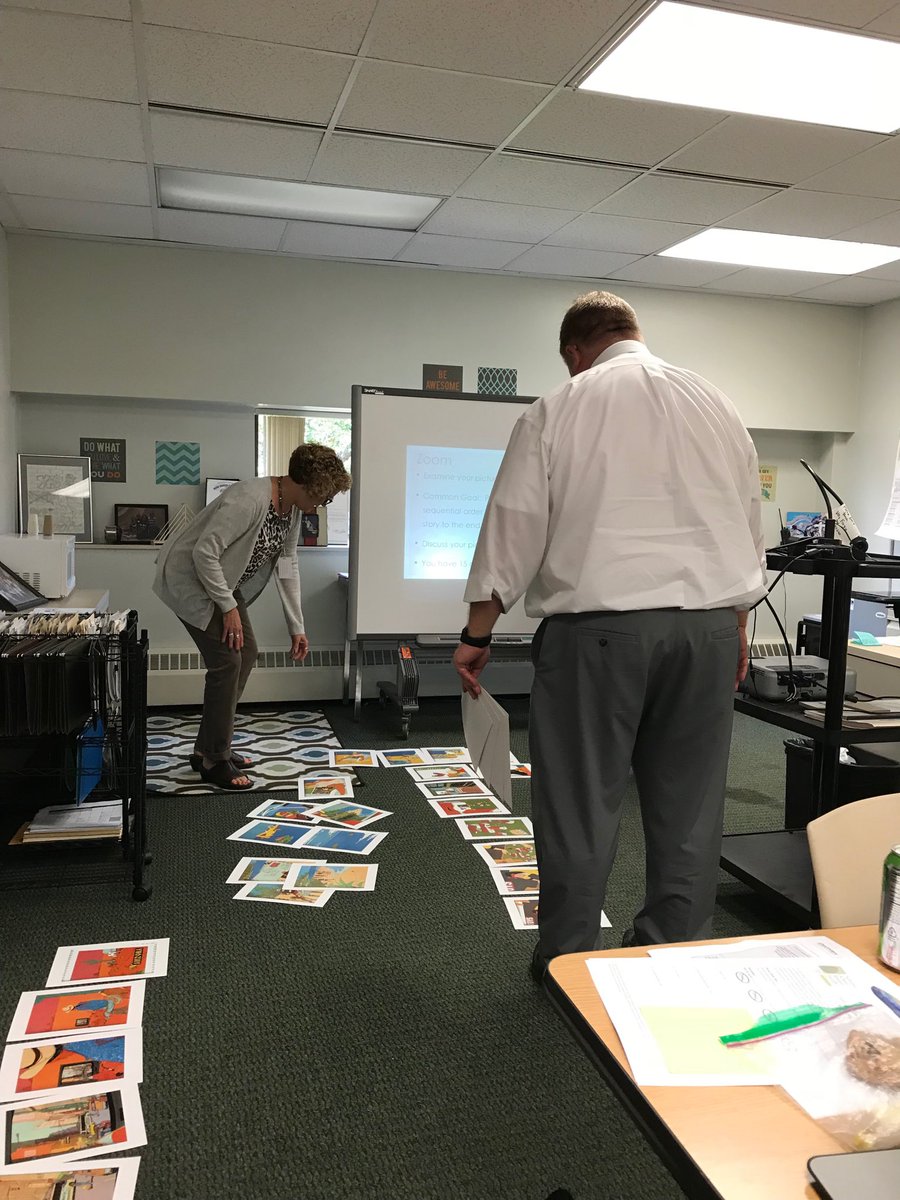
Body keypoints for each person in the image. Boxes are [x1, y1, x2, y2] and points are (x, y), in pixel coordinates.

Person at [453, 291, 766, 980]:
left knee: (579, 801)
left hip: (598, 633)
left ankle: (570, 960)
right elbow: (748, 523)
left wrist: (477, 632)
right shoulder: (716, 403)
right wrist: (738, 623)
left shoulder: (561, 406)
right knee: (691, 804)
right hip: (710, 630)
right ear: (633, 332)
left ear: (575, 352)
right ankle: (674, 950)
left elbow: (513, 525)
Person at [154, 443, 351, 790]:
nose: (324, 503)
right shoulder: (249, 499)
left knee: (246, 654)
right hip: (191, 580)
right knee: (227, 661)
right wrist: (228, 607)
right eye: (325, 496)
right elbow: (204, 553)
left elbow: (287, 565)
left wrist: (297, 626)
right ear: (309, 485)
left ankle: (207, 748)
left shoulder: (291, 510)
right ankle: (215, 759)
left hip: (223, 584)